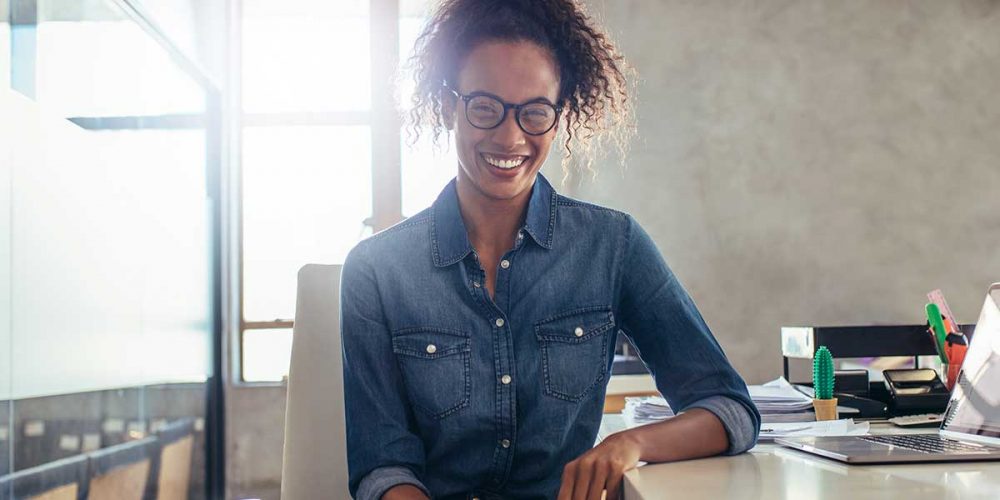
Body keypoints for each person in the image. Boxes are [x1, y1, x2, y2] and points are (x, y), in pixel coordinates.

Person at [340, 1, 760, 499]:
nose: (510, 135)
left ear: (559, 118)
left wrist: (630, 443)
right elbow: (382, 468)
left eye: (535, 112)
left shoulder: (615, 245)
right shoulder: (375, 270)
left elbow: (730, 410)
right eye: (484, 107)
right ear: (449, 105)